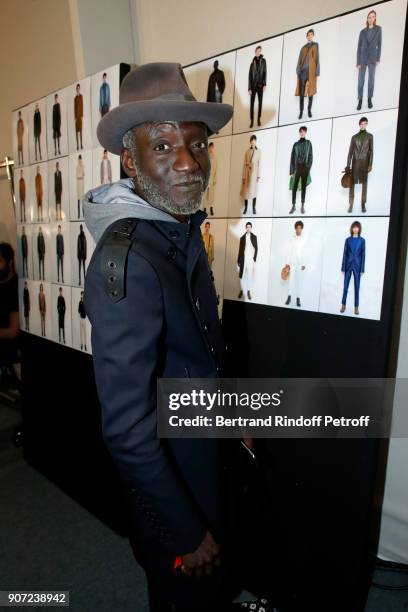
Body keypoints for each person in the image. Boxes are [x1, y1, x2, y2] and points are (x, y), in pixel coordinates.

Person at [83, 62, 257, 612]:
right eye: (162, 146)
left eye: (197, 144)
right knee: (186, 592)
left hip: (203, 448)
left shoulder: (176, 229)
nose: (188, 162)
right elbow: (128, 431)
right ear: (130, 162)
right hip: (174, 479)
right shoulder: (130, 259)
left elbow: (196, 353)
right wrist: (184, 531)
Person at [346, 116, 373, 213]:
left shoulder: (370, 136)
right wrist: (347, 165)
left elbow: (371, 151)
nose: (363, 125)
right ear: (359, 125)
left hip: (365, 164)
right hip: (355, 163)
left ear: (367, 124)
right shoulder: (354, 137)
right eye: (361, 124)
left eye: (365, 123)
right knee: (352, 184)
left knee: (364, 184)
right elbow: (350, 152)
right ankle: (351, 204)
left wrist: (370, 164)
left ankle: (363, 204)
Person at [356, 9, 382, 110]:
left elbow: (380, 44)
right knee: (360, 80)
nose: (371, 19)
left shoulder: (378, 29)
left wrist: (378, 58)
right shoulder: (362, 32)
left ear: (375, 18)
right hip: (362, 58)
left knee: (371, 79)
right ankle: (360, 100)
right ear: (367, 19)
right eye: (369, 17)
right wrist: (358, 61)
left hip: (372, 58)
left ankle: (369, 99)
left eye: (372, 17)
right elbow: (359, 47)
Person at [0, 243, 19, 370]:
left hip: (8, 351)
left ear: (10, 262)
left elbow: (13, 331)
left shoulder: (14, 288)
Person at [341, 221, 365, 315]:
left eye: (357, 227)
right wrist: (343, 267)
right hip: (348, 265)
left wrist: (362, 269)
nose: (355, 229)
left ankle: (356, 307)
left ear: (359, 229)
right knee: (345, 287)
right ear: (352, 229)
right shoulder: (347, 240)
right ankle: (343, 305)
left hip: (357, 267)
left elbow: (363, 255)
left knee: (357, 288)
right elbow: (344, 254)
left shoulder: (362, 241)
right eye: (354, 227)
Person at [295, 29, 320, 120]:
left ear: (313, 36)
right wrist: (298, 70)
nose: (310, 36)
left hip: (311, 72)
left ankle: (309, 110)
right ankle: (301, 111)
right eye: (308, 35)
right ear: (306, 36)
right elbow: (299, 59)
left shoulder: (315, 45)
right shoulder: (303, 47)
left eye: (311, 35)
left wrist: (317, 71)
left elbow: (317, 58)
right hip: (303, 72)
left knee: (311, 92)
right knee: (302, 93)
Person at [289, 126, 313, 214]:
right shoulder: (296, 144)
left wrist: (308, 168)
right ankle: (293, 205)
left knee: (303, 187)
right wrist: (292, 171)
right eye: (301, 131)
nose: (302, 133)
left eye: (304, 131)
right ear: (299, 133)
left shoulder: (308, 143)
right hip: (297, 168)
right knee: (294, 187)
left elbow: (311, 156)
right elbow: (292, 158)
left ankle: (302, 206)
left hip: (305, 168)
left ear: (305, 132)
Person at [285, 221, 306, 308]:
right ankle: (289, 297)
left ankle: (298, 299)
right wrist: (287, 263)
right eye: (297, 228)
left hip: (300, 264)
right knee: (291, 281)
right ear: (295, 229)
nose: (298, 229)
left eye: (300, 228)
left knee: (299, 282)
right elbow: (289, 251)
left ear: (302, 229)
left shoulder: (304, 239)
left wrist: (304, 263)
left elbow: (305, 252)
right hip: (292, 263)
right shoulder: (292, 238)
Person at [237, 221, 258, 300]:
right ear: (245, 228)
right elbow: (240, 250)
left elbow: (256, 248)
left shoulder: (254, 237)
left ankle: (248, 291)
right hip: (243, 259)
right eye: (247, 227)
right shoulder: (242, 238)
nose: (248, 228)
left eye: (250, 227)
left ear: (251, 228)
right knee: (242, 276)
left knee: (249, 276)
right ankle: (242, 290)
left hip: (250, 259)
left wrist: (254, 259)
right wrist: (238, 260)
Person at [241, 135, 261, 215]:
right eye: (251, 141)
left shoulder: (259, 151)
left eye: (254, 141)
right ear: (250, 142)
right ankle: (245, 207)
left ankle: (253, 207)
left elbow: (259, 164)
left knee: (254, 191)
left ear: (255, 141)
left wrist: (258, 175)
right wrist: (243, 176)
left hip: (254, 173)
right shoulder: (247, 151)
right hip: (247, 173)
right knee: (246, 191)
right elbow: (244, 164)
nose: (253, 143)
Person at [248, 46, 267, 128]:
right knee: (252, 104)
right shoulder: (252, 63)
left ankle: (259, 119)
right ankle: (252, 120)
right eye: (257, 51)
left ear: (260, 52)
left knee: (260, 103)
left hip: (260, 85)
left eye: (259, 51)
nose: (258, 52)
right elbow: (249, 76)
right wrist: (249, 88)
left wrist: (264, 84)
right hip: (253, 86)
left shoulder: (263, 61)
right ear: (255, 52)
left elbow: (265, 72)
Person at [203, 142, 217, 215]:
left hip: (212, 179)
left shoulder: (215, 158)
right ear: (208, 148)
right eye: (210, 147)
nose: (211, 149)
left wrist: (215, 179)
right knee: (205, 194)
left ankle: (211, 208)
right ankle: (204, 209)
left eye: (212, 147)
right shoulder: (205, 158)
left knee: (211, 195)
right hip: (206, 179)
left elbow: (216, 170)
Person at [74, 83, 83, 150]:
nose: (78, 89)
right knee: (76, 131)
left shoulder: (81, 96)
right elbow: (74, 107)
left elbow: (82, 105)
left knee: (81, 131)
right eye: (77, 88)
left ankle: (81, 144)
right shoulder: (75, 98)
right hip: (76, 117)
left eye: (78, 88)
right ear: (76, 89)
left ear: (79, 89)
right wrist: (75, 116)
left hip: (80, 116)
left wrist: (82, 115)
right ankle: (77, 145)